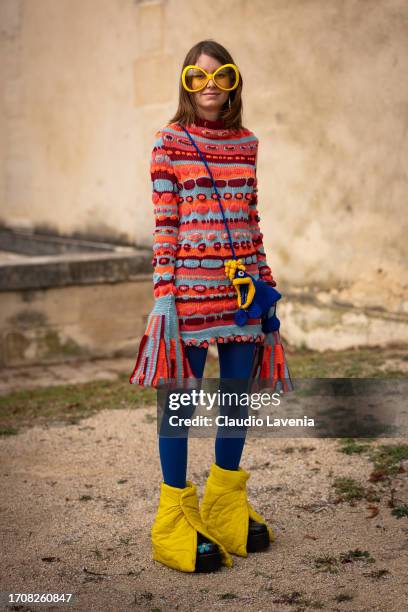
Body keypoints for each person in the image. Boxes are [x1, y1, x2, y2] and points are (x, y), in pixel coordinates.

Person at [129, 39, 293, 573]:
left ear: (233, 82)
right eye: (197, 79)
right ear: (185, 83)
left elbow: (250, 219)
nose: (209, 89)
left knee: (236, 402)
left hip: (243, 298)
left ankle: (223, 506)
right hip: (189, 299)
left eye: (219, 77)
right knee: (179, 406)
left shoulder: (247, 143)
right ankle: (176, 516)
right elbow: (165, 227)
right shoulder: (168, 143)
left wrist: (267, 290)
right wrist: (163, 299)